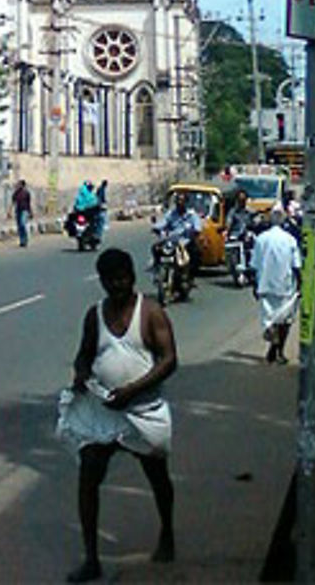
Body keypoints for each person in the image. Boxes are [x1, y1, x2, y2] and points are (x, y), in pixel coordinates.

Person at [66, 247, 177, 582]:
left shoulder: (152, 312)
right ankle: (91, 559)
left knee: (158, 477)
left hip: (143, 411)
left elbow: (169, 360)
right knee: (88, 477)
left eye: (123, 278)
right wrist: (82, 375)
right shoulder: (94, 314)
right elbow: (83, 355)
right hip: (104, 415)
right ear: (101, 282)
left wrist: (133, 390)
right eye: (111, 280)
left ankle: (168, 533)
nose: (118, 285)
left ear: (132, 276)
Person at [252, 206, 302, 364]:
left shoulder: (261, 239)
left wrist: (255, 285)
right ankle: (279, 351)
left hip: (265, 285)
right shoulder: (290, 240)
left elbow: (254, 264)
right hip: (285, 286)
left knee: (269, 318)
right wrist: (301, 284)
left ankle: (272, 343)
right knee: (285, 321)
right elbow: (297, 266)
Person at [156, 191, 202, 280]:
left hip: (186, 242)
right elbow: (162, 223)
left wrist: (194, 232)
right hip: (172, 241)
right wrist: (156, 228)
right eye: (178, 201)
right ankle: (158, 269)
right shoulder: (171, 214)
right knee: (156, 248)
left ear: (186, 202)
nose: (180, 203)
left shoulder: (192, 215)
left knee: (195, 252)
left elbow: (197, 228)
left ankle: (189, 275)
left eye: (182, 201)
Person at [10, 178, 33, 247]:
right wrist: (9, 211)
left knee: (23, 223)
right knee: (19, 226)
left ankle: (25, 239)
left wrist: (31, 212)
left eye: (19, 184)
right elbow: (13, 202)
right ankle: (22, 241)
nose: (17, 185)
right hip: (18, 210)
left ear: (22, 185)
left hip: (25, 210)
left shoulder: (26, 193)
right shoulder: (16, 193)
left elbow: (29, 203)